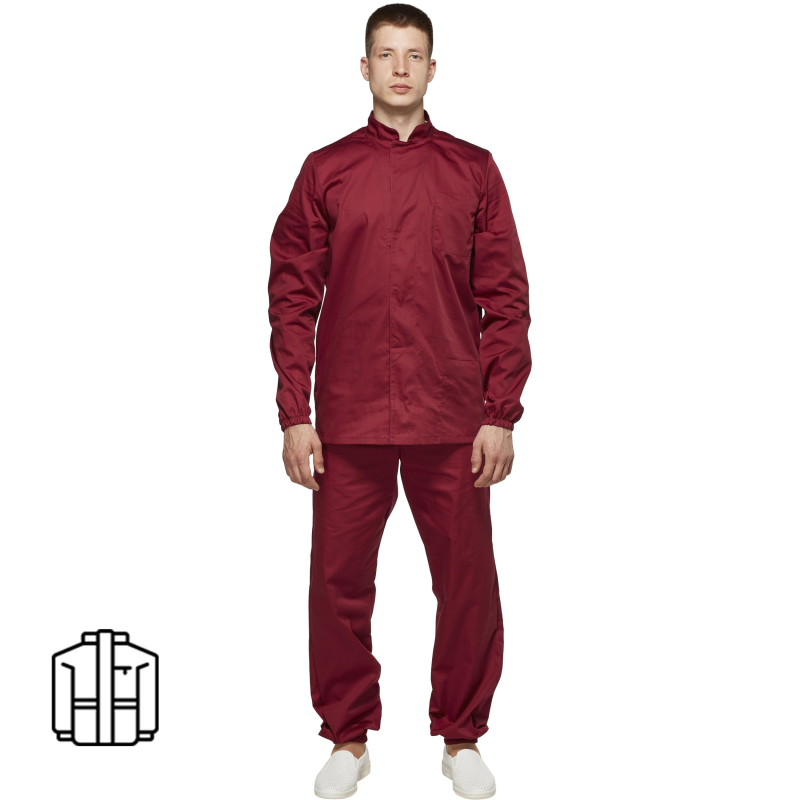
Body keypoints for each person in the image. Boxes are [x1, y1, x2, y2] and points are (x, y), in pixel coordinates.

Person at [268, 5, 531, 797]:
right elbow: (292, 296)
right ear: (365, 67)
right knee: (337, 585)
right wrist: (295, 414)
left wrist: (500, 413)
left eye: (414, 56)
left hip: (451, 416)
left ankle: (462, 736)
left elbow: (506, 298)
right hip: (349, 417)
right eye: (386, 55)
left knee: (467, 582)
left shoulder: (474, 170)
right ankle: (348, 738)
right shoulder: (327, 170)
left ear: (432, 68)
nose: (401, 69)